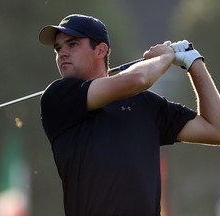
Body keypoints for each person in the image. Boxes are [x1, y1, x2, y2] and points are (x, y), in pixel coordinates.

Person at [38, 14, 220, 216]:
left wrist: (194, 63)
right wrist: (165, 57)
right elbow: (138, 79)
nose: (62, 53)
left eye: (71, 44)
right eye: (58, 48)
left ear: (100, 50)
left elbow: (215, 130)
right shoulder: (58, 96)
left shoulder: (146, 105)